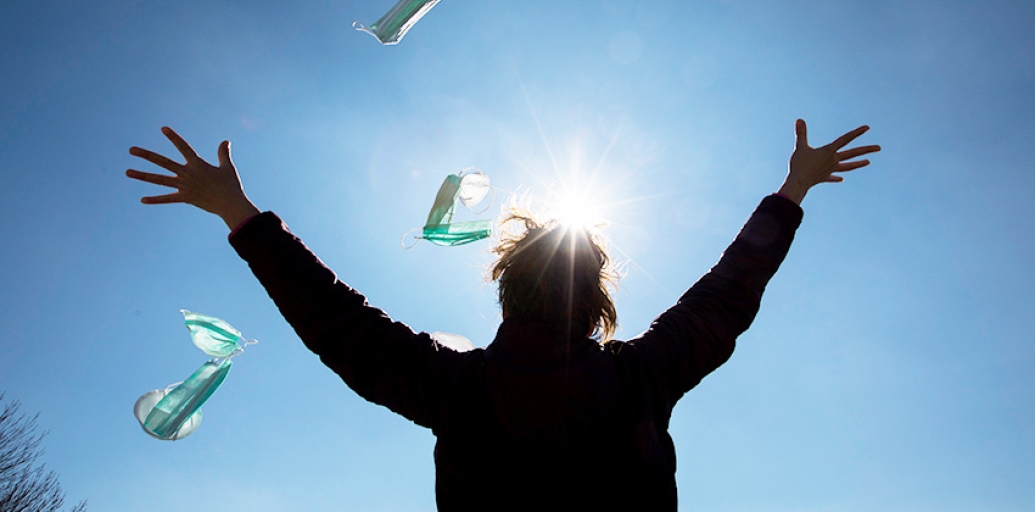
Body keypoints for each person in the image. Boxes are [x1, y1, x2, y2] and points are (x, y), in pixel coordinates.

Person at [127, 119, 879, 511]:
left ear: (504, 290)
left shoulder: (454, 389)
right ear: (597, 303)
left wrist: (238, 212)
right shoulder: (642, 378)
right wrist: (791, 192)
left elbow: (334, 319)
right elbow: (726, 293)